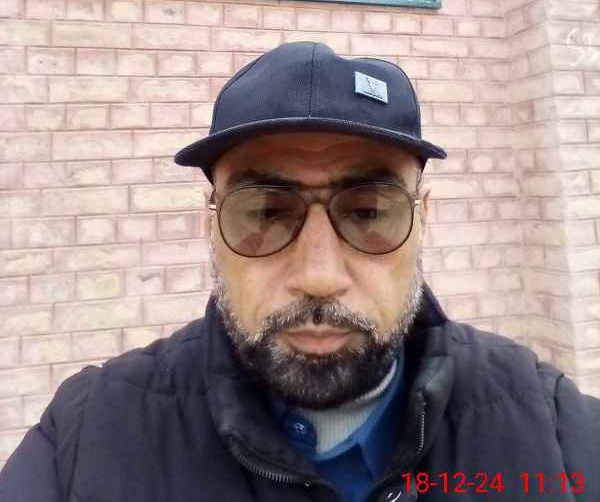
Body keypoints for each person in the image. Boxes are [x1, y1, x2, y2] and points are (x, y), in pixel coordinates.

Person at [0, 41, 598, 502]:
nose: (318, 276)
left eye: (368, 212)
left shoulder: (553, 434)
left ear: (423, 218)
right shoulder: (85, 442)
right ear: (210, 223)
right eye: (264, 212)